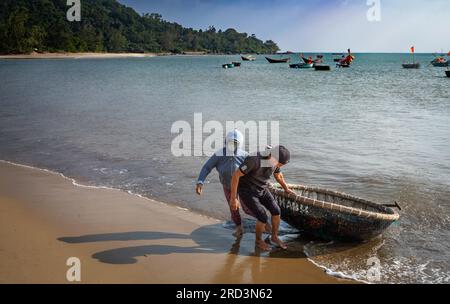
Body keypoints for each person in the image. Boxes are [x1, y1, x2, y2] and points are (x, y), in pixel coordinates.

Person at [229, 145, 294, 251]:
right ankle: (258, 241)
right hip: (247, 191)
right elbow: (236, 176)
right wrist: (233, 198)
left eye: (281, 165)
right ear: (273, 157)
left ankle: (274, 237)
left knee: (276, 210)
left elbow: (278, 175)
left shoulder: (276, 161)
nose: (279, 166)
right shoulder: (254, 160)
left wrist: (286, 188)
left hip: (262, 188)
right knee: (262, 216)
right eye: (279, 164)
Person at [196, 130, 249, 237]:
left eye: (235, 144)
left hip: (243, 186)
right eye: (230, 143)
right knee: (233, 208)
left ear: (240, 144)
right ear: (225, 142)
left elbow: (255, 169)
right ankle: (239, 227)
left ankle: (264, 222)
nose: (232, 146)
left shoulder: (244, 155)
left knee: (248, 208)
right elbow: (207, 167)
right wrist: (200, 182)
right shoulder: (219, 154)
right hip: (227, 186)